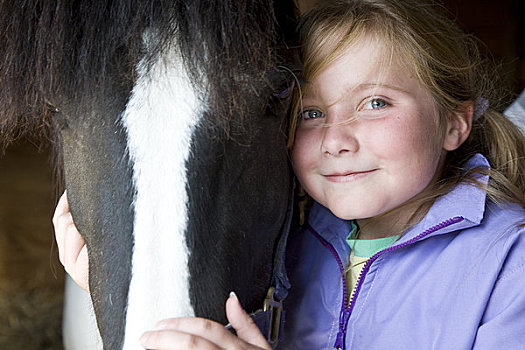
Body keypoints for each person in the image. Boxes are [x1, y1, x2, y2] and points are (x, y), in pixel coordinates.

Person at [54, 0, 525, 348]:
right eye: (312, 114)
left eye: (375, 104)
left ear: (453, 123)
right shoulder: (301, 245)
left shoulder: (509, 266)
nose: (336, 140)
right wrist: (112, 278)